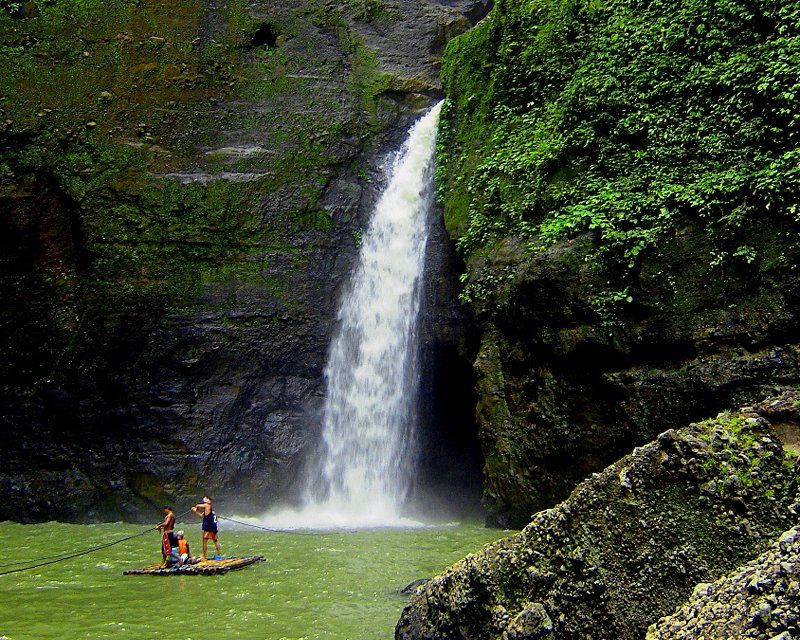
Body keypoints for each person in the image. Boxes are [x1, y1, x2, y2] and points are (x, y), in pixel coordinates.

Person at [192, 496, 221, 560]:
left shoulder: (208, 505)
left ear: (208, 500)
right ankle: (219, 554)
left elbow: (204, 505)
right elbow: (202, 516)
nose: (204, 499)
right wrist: (195, 511)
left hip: (209, 527)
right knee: (215, 541)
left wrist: (197, 505)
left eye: (205, 498)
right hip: (212, 527)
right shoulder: (208, 509)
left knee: (205, 541)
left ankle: (204, 556)